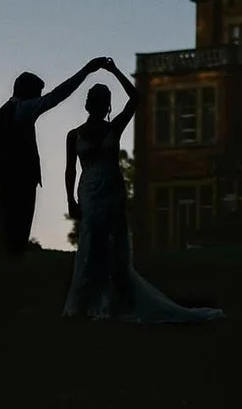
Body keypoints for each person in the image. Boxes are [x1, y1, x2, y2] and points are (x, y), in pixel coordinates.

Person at [62, 60, 223, 324]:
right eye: (97, 99)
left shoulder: (115, 127)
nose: (100, 104)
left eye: (102, 100)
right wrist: (70, 199)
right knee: (91, 243)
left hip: (112, 189)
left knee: (112, 245)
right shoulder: (74, 135)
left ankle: (110, 304)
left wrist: (114, 71)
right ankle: (86, 303)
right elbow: (70, 169)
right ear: (91, 104)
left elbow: (135, 98)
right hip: (89, 190)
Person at [0, 56, 111, 260]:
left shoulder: (4, 112)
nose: (39, 98)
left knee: (7, 225)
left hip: (4, 175)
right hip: (18, 177)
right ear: (29, 92)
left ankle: (8, 264)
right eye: (37, 94)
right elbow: (57, 96)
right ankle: (12, 265)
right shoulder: (23, 109)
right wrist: (86, 70)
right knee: (18, 228)